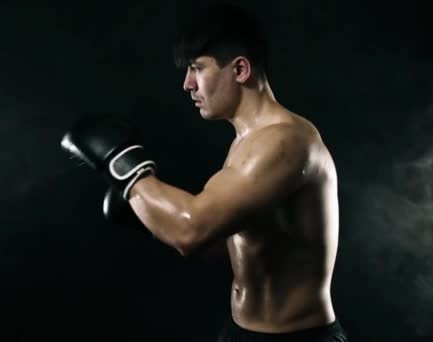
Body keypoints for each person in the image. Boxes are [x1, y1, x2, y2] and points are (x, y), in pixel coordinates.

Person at [60, 3, 348, 341]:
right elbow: (228, 245)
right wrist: (150, 219)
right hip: (241, 332)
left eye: (197, 68)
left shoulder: (285, 142)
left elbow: (190, 230)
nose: (187, 84)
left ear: (240, 70)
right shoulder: (248, 142)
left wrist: (124, 165)